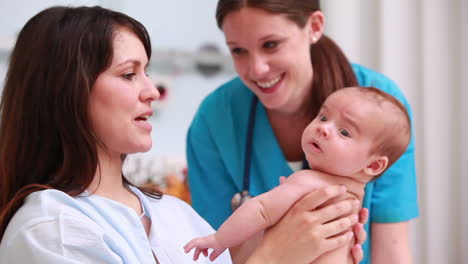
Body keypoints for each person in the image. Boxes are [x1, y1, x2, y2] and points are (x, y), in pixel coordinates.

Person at [0, 5, 367, 264]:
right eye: (129, 74)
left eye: (147, 72)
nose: (152, 91)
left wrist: (304, 238)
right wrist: (276, 258)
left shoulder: (174, 215)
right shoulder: (52, 231)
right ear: (68, 91)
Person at [187, 0, 419, 263]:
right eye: (239, 50)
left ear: (314, 26)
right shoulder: (216, 118)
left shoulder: (382, 107)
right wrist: (277, 247)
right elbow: (216, 254)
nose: (257, 69)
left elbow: (392, 250)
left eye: (271, 44)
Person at [185, 86, 411, 263]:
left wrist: (218, 239)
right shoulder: (353, 197)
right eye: (323, 117)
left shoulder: (308, 181)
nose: (324, 128)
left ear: (373, 166)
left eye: (344, 132)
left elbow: (261, 210)